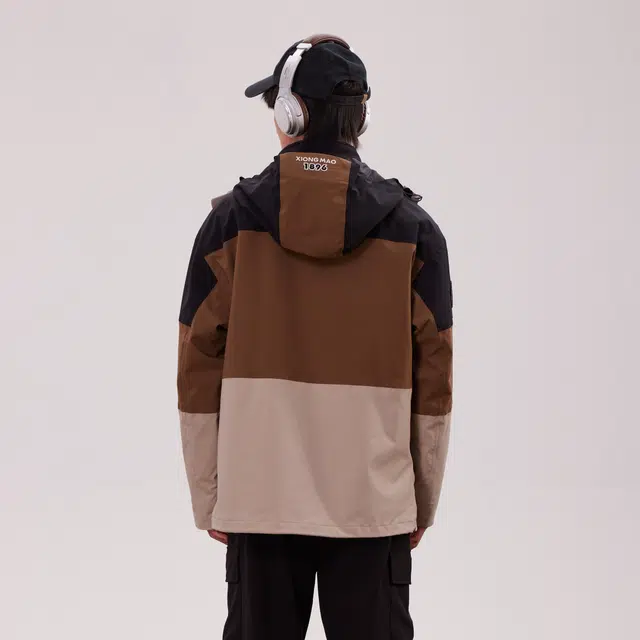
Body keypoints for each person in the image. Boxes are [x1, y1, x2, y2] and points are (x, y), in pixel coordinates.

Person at [177, 33, 453, 640]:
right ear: (359, 119)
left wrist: (211, 492)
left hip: (260, 497)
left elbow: (197, 362)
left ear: (290, 113)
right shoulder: (414, 231)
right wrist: (418, 498)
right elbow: (434, 378)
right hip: (371, 503)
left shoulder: (228, 223)